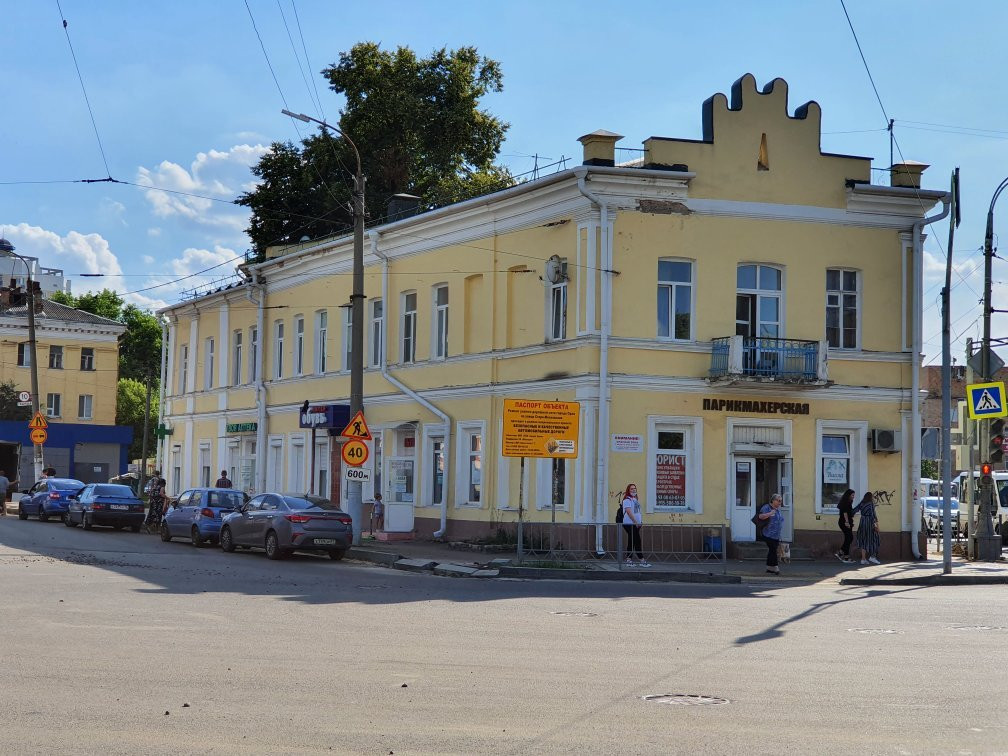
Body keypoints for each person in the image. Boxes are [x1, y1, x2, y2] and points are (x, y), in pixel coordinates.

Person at [621, 483, 649, 568]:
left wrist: (640, 521)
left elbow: (637, 512)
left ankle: (629, 560)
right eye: (631, 489)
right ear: (628, 491)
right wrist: (635, 522)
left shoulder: (635, 499)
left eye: (634, 488)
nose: (633, 490)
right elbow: (629, 512)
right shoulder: (627, 500)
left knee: (632, 541)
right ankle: (642, 560)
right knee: (637, 541)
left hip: (636, 524)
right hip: (629, 524)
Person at [757, 493, 785, 574]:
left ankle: (769, 568)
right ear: (773, 500)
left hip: (776, 535)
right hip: (768, 534)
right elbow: (760, 516)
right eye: (778, 501)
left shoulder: (778, 510)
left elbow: (780, 520)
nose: (780, 503)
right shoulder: (767, 507)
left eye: (781, 501)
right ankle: (775, 567)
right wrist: (769, 513)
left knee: (772, 550)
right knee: (773, 550)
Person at [852, 491, 880, 564]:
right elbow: (873, 516)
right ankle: (872, 557)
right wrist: (877, 526)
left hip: (862, 523)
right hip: (869, 523)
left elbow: (854, 510)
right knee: (875, 539)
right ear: (870, 497)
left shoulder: (862, 503)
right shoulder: (871, 504)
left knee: (864, 540)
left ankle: (863, 559)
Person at [834, 489, 856, 563]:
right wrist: (847, 522)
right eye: (852, 495)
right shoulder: (846, 502)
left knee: (849, 538)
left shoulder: (848, 501)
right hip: (844, 522)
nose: (853, 497)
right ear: (848, 495)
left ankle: (844, 556)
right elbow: (845, 513)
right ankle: (842, 555)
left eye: (854, 495)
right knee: (849, 538)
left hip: (846, 522)